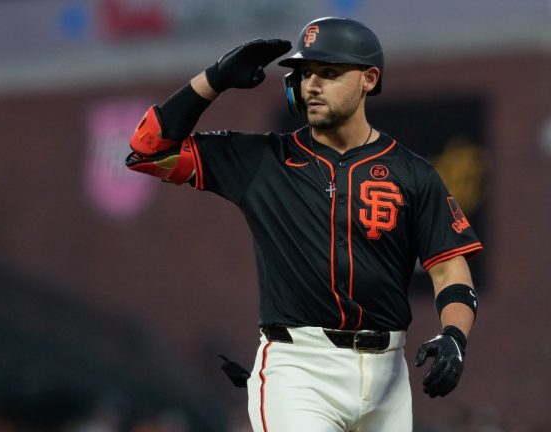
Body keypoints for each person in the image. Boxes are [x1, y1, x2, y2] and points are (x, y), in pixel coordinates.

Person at [124, 16, 483, 432]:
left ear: (368, 78)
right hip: (299, 368)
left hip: (388, 373)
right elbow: (146, 151)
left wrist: (455, 335)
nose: (312, 84)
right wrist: (215, 78)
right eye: (305, 72)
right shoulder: (262, 160)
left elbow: (449, 267)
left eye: (329, 73)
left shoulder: (413, 174)